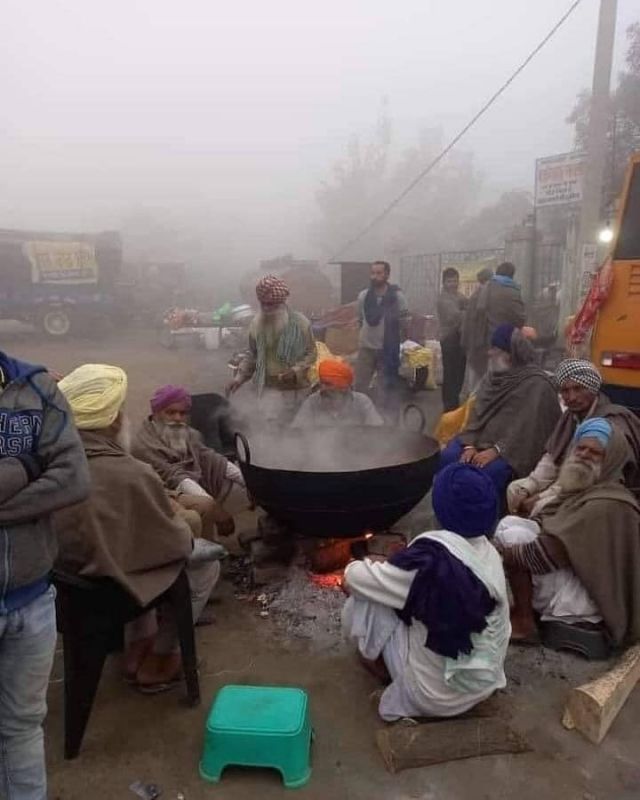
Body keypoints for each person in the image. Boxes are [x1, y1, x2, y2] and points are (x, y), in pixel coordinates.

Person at [54, 365, 221, 692]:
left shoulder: (50, 461)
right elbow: (174, 542)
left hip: (66, 589)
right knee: (203, 566)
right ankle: (160, 658)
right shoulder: (131, 472)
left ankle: (135, 650)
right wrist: (185, 522)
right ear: (113, 421)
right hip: (107, 590)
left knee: (133, 551)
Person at [342, 463, 510, 721]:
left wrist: (364, 565)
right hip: (481, 683)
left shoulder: (428, 563)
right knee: (398, 594)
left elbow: (354, 579)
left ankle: (378, 665)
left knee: (365, 600)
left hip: (433, 697)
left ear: (442, 507)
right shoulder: (488, 553)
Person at [0, 350, 90, 800]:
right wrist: (28, 466)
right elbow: (54, 472)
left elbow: (74, 478)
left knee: (22, 725)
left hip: (32, 599)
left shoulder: (35, 388)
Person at [495, 418, 640, 645]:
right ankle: (526, 608)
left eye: (595, 452)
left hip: (592, 600)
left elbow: (544, 555)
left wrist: (498, 553)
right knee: (510, 524)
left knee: (515, 541)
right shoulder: (589, 487)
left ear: (610, 458)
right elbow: (550, 521)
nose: (583, 455)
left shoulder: (605, 504)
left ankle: (525, 621)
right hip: (578, 575)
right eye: (581, 448)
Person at [439, 324, 561, 495]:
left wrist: (497, 450)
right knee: (448, 457)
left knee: (486, 473)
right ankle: (450, 506)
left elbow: (528, 431)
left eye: (495, 349)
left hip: (514, 450)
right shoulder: (493, 377)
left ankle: (485, 510)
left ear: (510, 354)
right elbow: (477, 414)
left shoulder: (537, 385)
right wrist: (469, 446)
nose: (489, 353)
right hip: (478, 439)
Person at [508, 359, 640, 514]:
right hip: (568, 479)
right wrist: (527, 488)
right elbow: (551, 460)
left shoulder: (610, 421)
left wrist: (540, 497)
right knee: (514, 489)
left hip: (598, 489)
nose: (571, 397)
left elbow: (587, 476)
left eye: (578, 389)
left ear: (592, 389)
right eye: (565, 391)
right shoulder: (570, 417)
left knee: (541, 505)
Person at [132, 385, 244, 540]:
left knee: (229, 479)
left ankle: (208, 534)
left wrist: (250, 482)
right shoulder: (143, 444)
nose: (178, 418)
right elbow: (174, 476)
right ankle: (202, 543)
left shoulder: (190, 434)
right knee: (205, 506)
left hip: (188, 483)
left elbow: (210, 457)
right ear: (156, 413)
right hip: (163, 495)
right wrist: (216, 509)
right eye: (170, 412)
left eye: (182, 413)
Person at [226, 274, 317, 425]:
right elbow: (252, 355)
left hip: (296, 391)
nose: (266, 308)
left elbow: (311, 354)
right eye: (263, 304)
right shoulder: (256, 324)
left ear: (282, 303)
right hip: (267, 390)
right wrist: (239, 378)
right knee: (270, 429)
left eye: (271, 304)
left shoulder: (300, 323)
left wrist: (295, 371)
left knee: (295, 430)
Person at [354, 261, 409, 410]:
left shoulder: (397, 297)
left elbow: (404, 322)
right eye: (373, 273)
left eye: (379, 273)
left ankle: (383, 420)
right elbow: (360, 319)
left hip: (387, 350)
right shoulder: (363, 296)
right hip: (366, 348)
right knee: (360, 386)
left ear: (387, 275)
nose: (375, 276)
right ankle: (359, 417)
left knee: (384, 389)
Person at [292, 358, 384, 428]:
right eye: (322, 383)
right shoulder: (312, 402)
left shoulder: (362, 402)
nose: (322, 388)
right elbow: (296, 434)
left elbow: (378, 433)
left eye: (328, 384)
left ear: (343, 388)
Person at [437, 267, 468, 412]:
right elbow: (455, 316)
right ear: (444, 283)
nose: (453, 284)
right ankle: (449, 406)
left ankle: (454, 403)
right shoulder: (443, 299)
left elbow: (469, 307)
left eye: (455, 281)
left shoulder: (459, 296)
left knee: (459, 373)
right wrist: (466, 312)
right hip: (448, 339)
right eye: (449, 281)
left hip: (460, 339)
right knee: (450, 373)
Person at [460, 266, 494, 391]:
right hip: (478, 341)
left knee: (474, 374)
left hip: (475, 341)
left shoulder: (477, 295)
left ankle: (473, 398)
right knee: (477, 377)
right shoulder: (482, 295)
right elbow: (475, 320)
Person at [478, 261, 526, 344]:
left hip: (490, 336)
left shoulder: (487, 287)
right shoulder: (513, 291)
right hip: (508, 337)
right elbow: (521, 318)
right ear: (512, 275)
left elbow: (480, 309)